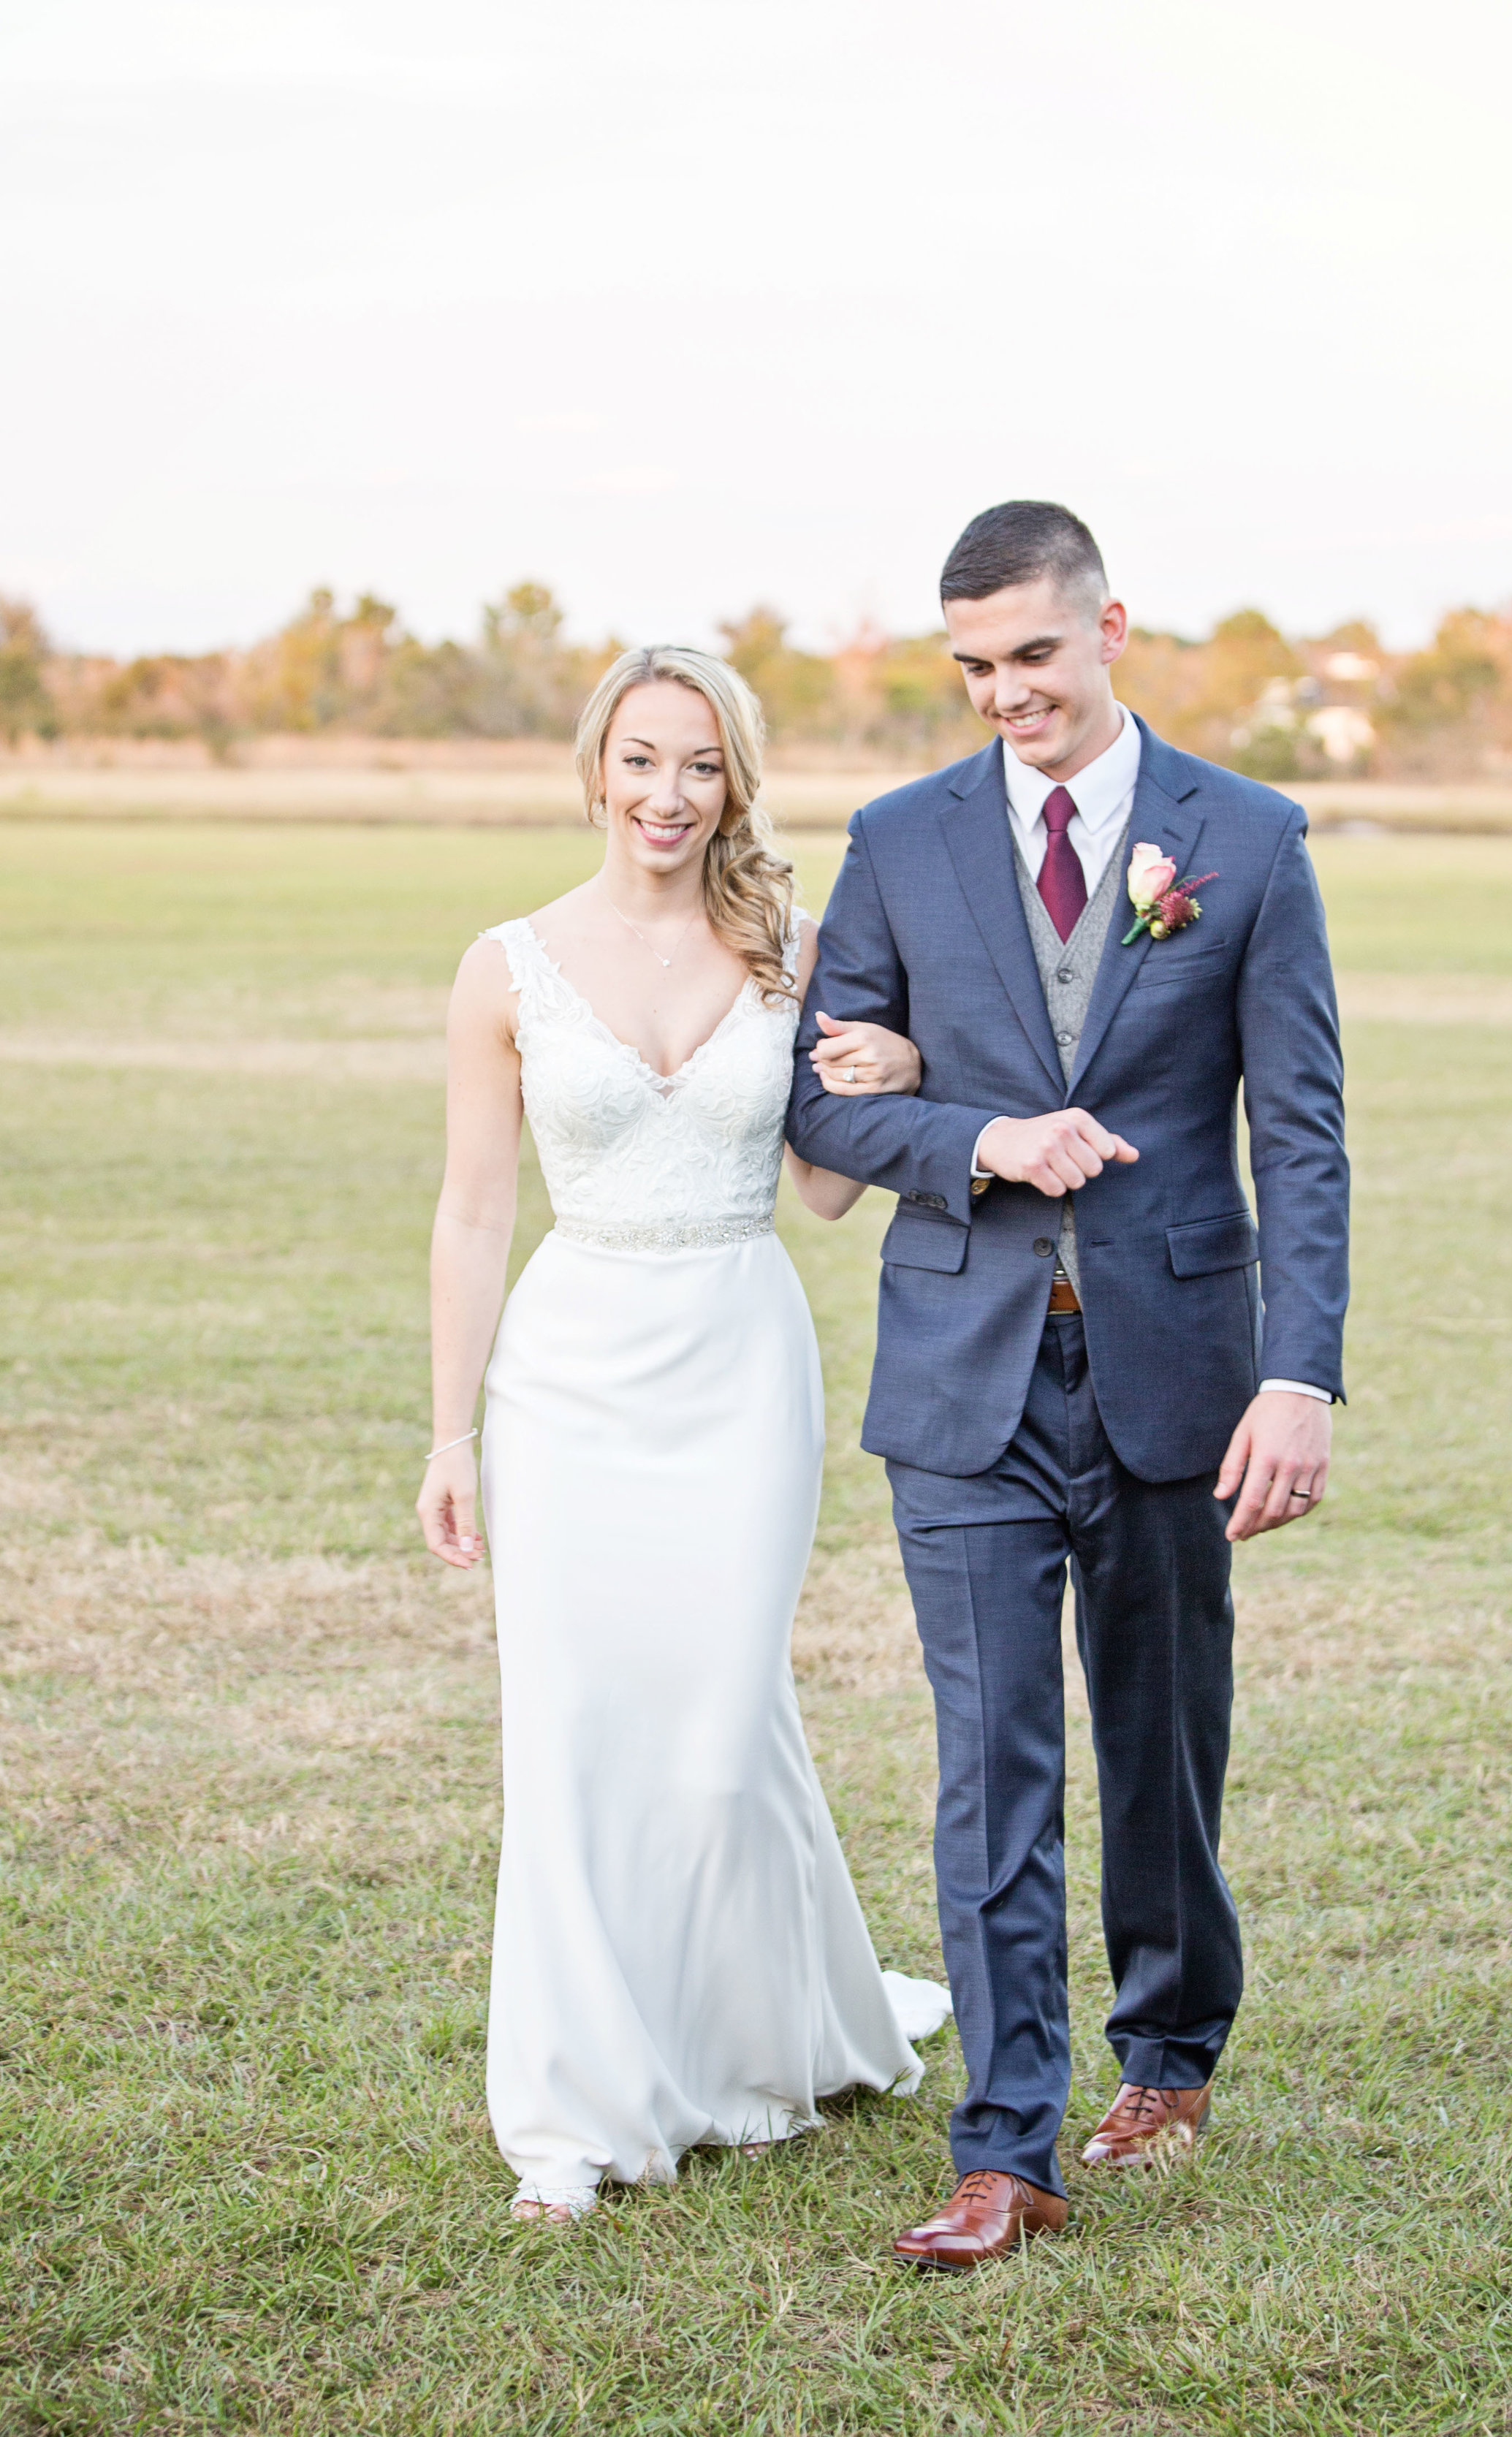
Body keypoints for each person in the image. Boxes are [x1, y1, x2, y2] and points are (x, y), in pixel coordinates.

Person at [786, 501, 1350, 2270]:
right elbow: (817, 1101)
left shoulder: (1244, 841)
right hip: (961, 1373)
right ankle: (1002, 2145)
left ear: (1111, 626)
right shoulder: (896, 840)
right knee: (989, 1760)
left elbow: (1301, 1135)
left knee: (1158, 1742)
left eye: (1030, 655)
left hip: (1175, 1368)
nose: (1002, 695)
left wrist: (1299, 1377)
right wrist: (978, 1134)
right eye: (969, 668)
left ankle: (1169, 2057)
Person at [417, 644, 949, 2222]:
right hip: (566, 1376)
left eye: (700, 765)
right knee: (574, 1735)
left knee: (719, 1733)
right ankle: (575, 2118)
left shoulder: (785, 950)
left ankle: (758, 2037)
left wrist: (898, 1069)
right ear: (594, 768)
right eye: (641, 759)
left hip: (736, 1362)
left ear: (736, 784)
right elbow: (471, 1209)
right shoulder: (503, 966)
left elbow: (829, 1186)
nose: (668, 794)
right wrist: (450, 1435)